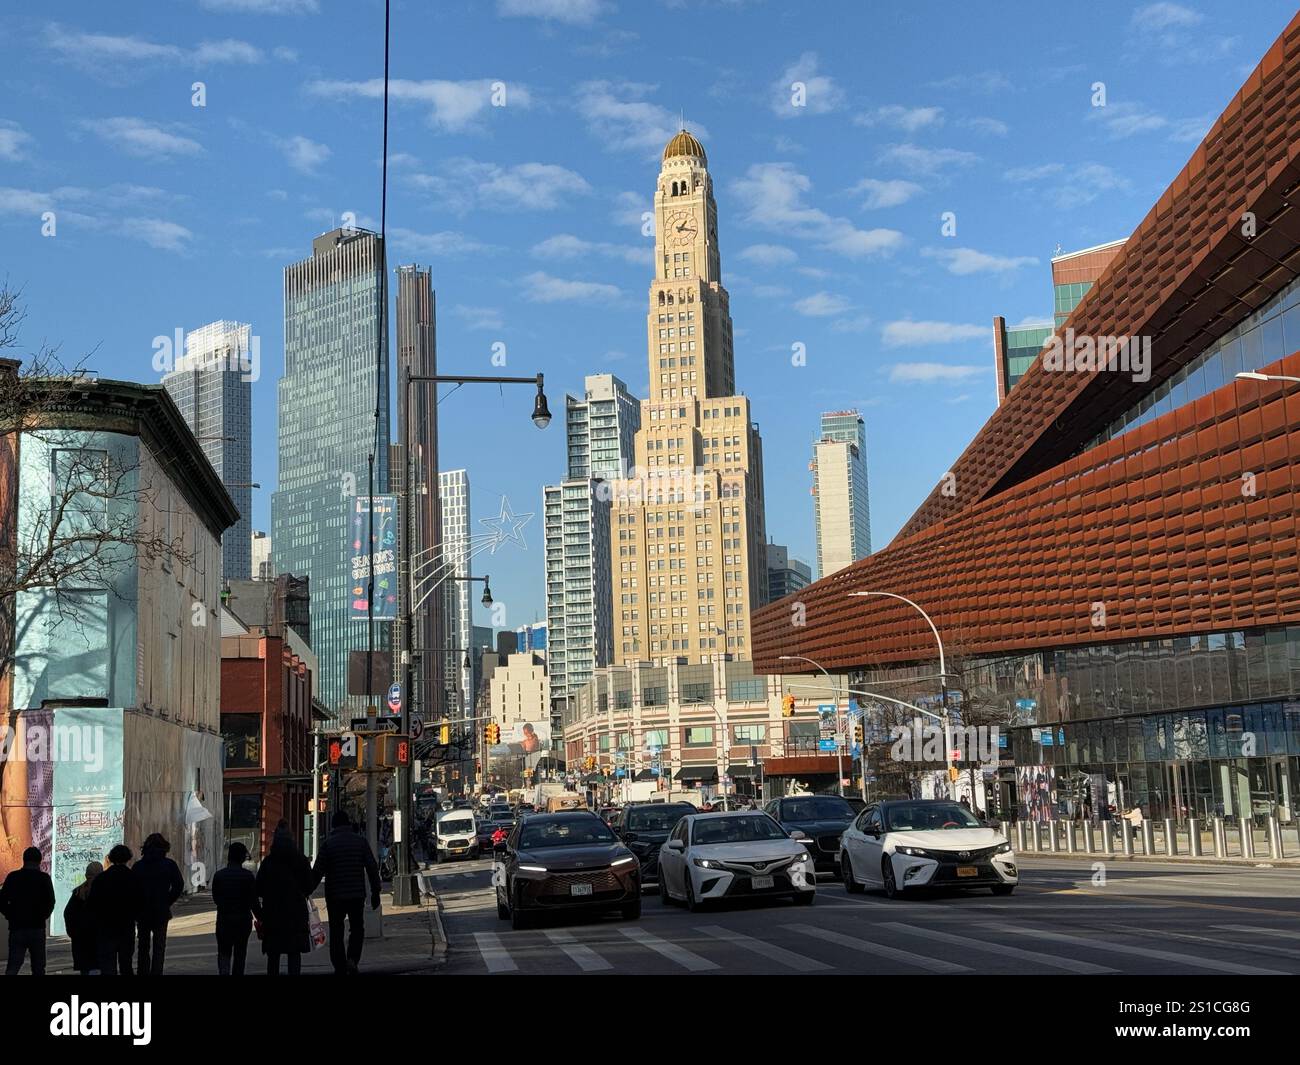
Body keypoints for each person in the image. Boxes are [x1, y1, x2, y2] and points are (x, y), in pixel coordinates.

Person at [311, 810, 381, 976]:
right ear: (348, 824)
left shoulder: (328, 844)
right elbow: (372, 867)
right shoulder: (360, 842)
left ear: (334, 826)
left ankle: (339, 965)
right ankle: (352, 959)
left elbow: (317, 872)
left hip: (335, 895)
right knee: (357, 928)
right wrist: (375, 892)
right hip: (356, 894)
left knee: (336, 931)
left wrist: (306, 891)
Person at [255, 823, 313, 976]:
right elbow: (309, 885)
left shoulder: (268, 862)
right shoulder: (300, 860)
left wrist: (261, 913)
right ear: (292, 839)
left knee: (273, 955)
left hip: (273, 914)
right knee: (294, 953)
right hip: (296, 914)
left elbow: (258, 888)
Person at [134, 832, 183, 976]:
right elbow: (178, 885)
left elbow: (133, 889)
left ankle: (143, 972)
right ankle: (156, 972)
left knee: (143, 946)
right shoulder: (169, 865)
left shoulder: (138, 866)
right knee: (159, 946)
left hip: (142, 911)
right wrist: (167, 901)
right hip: (161, 910)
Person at [0, 846, 55, 975]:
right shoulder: (43, 878)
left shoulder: (13, 877)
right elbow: (51, 901)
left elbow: (1, 901)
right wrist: (43, 916)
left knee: (13, 966)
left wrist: (10, 915)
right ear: (39, 861)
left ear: (24, 860)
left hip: (17, 927)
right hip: (37, 928)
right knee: (38, 967)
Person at [90, 845, 141, 975]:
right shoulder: (133, 877)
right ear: (128, 858)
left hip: (106, 927)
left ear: (111, 858)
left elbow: (92, 903)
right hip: (126, 926)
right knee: (126, 963)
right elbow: (140, 901)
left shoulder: (101, 878)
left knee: (107, 964)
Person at [211, 843, 260, 976]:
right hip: (243, 920)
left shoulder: (219, 876)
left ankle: (224, 972)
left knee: (224, 952)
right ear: (242, 857)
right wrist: (261, 918)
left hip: (224, 920)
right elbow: (254, 901)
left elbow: (216, 899)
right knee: (240, 953)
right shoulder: (248, 876)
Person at [62, 861, 103, 976]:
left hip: (81, 940)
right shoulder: (104, 892)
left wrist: (73, 932)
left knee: (85, 969)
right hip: (99, 938)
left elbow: (68, 913)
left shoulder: (78, 892)